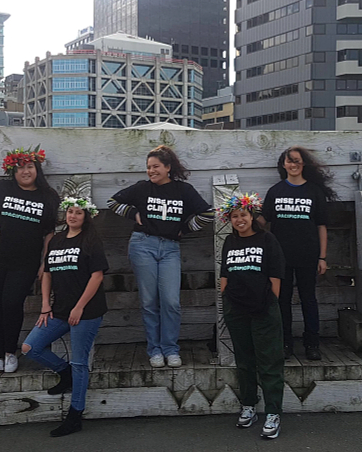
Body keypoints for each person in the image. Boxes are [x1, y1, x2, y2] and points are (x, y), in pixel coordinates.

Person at [108, 145, 213, 368]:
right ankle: (154, 350)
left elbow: (207, 214)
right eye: (148, 167)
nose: (151, 171)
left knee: (171, 301)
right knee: (149, 301)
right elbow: (112, 202)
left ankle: (171, 349)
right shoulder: (141, 188)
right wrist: (133, 213)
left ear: (168, 167)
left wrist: (185, 228)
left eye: (155, 166)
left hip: (170, 249)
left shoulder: (183, 190)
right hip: (142, 245)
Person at [0, 146, 59, 374]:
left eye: (30, 167)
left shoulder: (48, 196)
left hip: (25, 261)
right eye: (20, 168)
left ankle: (11, 352)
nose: (25, 172)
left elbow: (49, 232)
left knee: (12, 303)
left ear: (37, 168)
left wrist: (45, 262)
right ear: (12, 171)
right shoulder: (2, 188)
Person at [22, 196, 108, 437]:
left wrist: (79, 307)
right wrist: (44, 306)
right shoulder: (57, 240)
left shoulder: (91, 240)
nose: (73, 216)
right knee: (31, 347)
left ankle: (75, 415)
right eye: (70, 211)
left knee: (81, 362)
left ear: (86, 217)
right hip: (58, 310)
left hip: (86, 312)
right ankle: (64, 372)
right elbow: (47, 273)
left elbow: (97, 276)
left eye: (79, 213)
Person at [218, 192, 285, 439]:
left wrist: (269, 302)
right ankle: (248, 405)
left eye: (243, 215)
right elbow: (225, 272)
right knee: (244, 361)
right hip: (236, 309)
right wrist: (226, 297)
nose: (239, 220)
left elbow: (276, 274)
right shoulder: (228, 242)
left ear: (252, 215)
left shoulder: (267, 239)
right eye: (234, 216)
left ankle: (273, 412)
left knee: (269, 360)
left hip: (264, 309)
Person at [260, 146, 335, 361]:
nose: (293, 165)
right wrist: (239, 214)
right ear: (283, 165)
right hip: (280, 256)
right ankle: (285, 343)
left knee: (308, 299)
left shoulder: (314, 191)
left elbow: (321, 226)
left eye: (297, 161)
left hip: (308, 255)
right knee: (281, 300)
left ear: (304, 164)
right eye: (289, 161)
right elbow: (263, 221)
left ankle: (312, 343)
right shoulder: (275, 191)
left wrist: (322, 257)